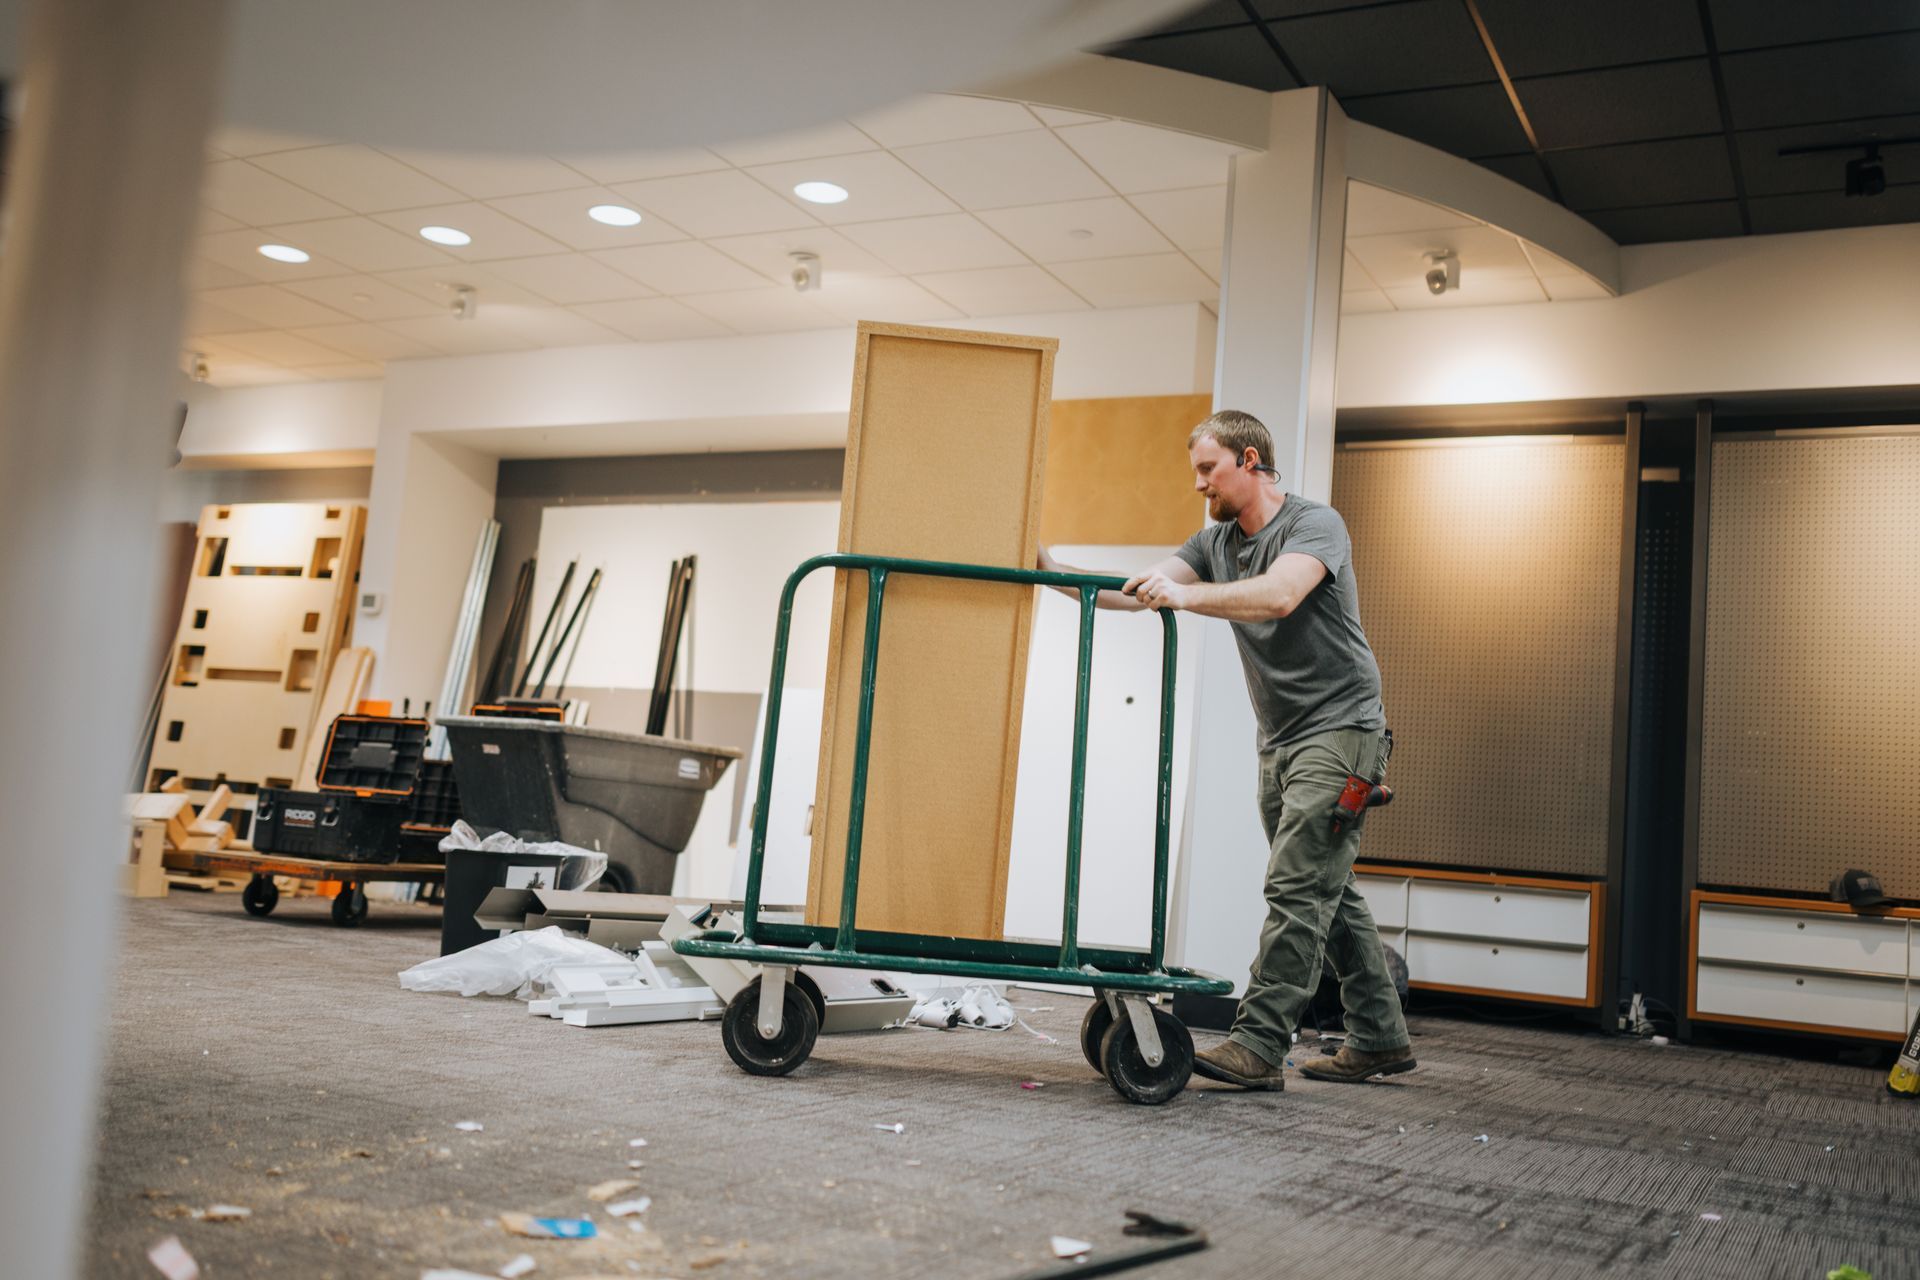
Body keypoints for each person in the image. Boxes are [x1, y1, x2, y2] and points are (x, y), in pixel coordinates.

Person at [1038, 409, 1413, 1091]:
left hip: (1342, 731)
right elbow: (1133, 594)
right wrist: (1048, 568)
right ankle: (1380, 1037)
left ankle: (1260, 1045)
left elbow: (1281, 596)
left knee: (1296, 887)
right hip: (1281, 739)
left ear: (1249, 460)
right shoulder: (1214, 544)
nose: (1199, 484)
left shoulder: (1314, 525)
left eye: (1207, 469)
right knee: (1327, 892)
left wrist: (1186, 597)